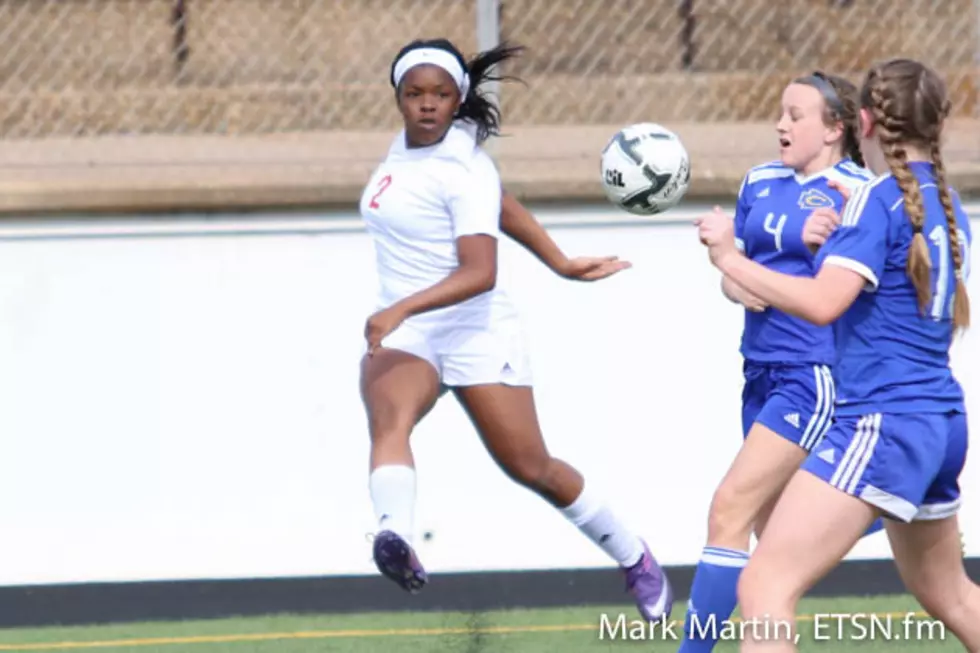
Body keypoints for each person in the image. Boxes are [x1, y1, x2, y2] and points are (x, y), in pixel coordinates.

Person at [357, 37, 673, 622]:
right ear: (398, 97)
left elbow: (480, 272)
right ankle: (393, 537)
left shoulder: (464, 165)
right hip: (409, 334)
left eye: (441, 94)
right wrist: (556, 257)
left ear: (458, 99)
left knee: (531, 466)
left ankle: (635, 558)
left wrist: (400, 309)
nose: (427, 104)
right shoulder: (411, 151)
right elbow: (500, 206)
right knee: (389, 419)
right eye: (415, 93)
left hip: (474, 330)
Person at [696, 58, 978, 652]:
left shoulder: (874, 200)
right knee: (951, 594)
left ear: (865, 122)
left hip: (882, 422)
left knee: (765, 583)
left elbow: (824, 303)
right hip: (941, 420)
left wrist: (730, 259)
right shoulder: (947, 205)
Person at [678, 71, 885, 652]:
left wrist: (825, 247)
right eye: (781, 113)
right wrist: (730, 279)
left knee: (728, 509)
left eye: (796, 115)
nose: (781, 125)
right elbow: (740, 273)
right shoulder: (760, 181)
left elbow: (848, 291)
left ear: (835, 128)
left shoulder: (854, 193)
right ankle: (862, 510)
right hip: (759, 371)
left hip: (811, 374)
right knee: (770, 548)